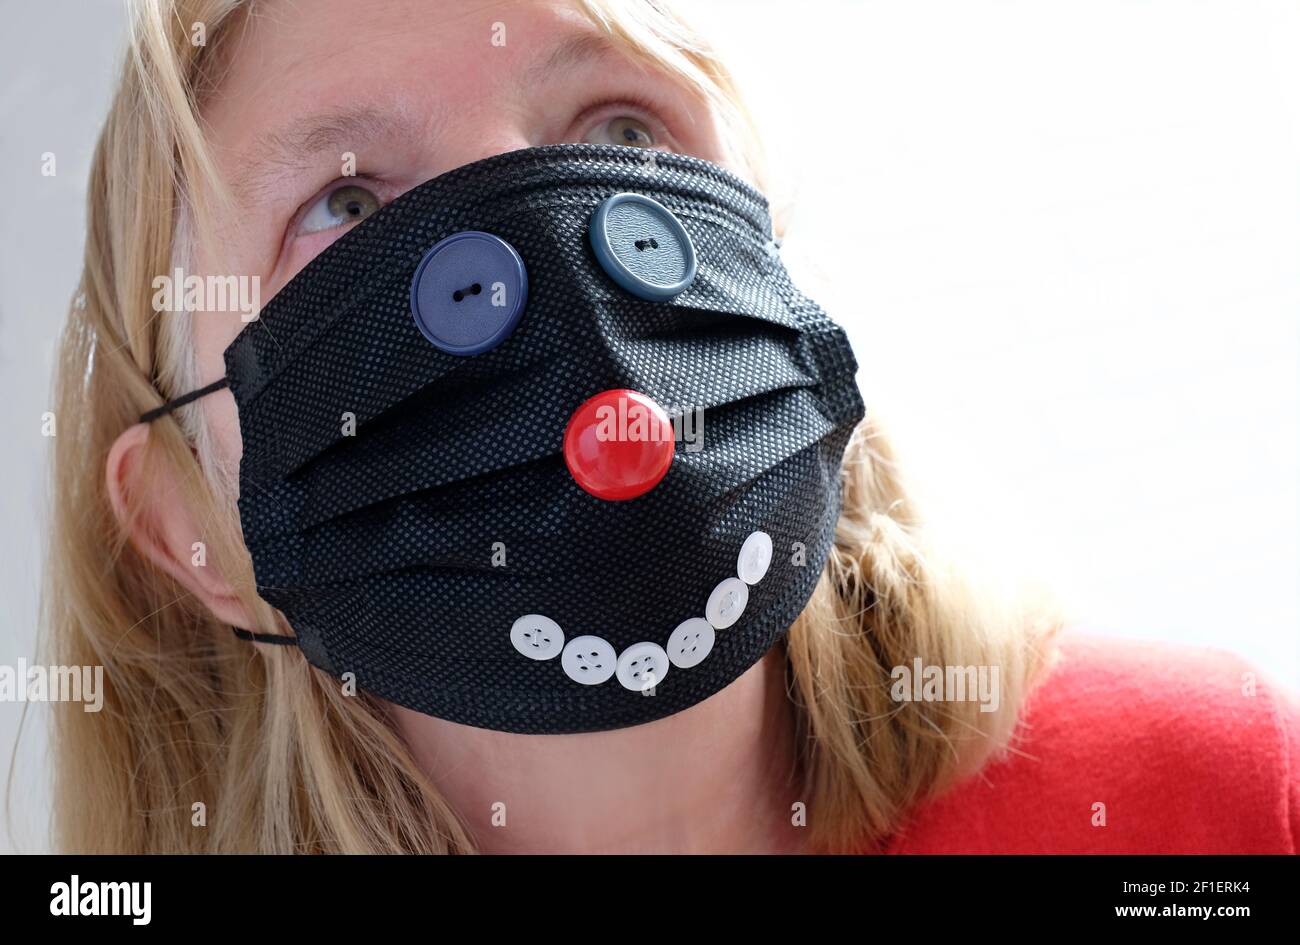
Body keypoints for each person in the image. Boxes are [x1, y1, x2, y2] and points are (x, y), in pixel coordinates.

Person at [46, 0, 1297, 854]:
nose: (539, 259)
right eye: (349, 199)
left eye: (621, 128)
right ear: (185, 526)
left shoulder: (1206, 799)